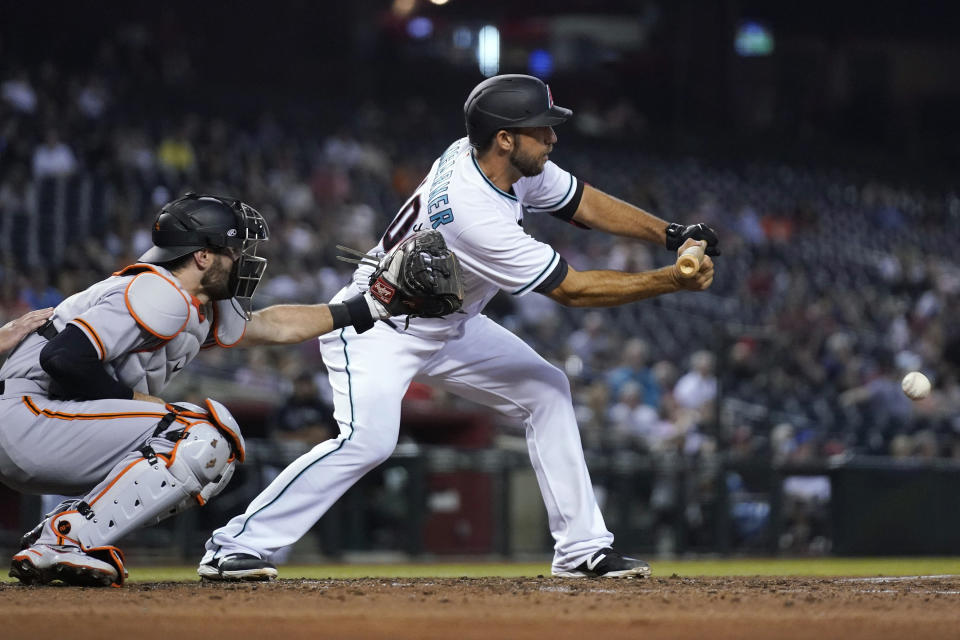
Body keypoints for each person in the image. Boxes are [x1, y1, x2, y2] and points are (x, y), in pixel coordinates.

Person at [199, 74, 718, 580]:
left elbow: (579, 200)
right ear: (505, 138)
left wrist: (670, 233)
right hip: (380, 322)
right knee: (370, 441)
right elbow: (573, 291)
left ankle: (582, 550)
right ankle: (235, 545)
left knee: (548, 390)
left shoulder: (495, 158)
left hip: (450, 322)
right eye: (542, 129)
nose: (553, 137)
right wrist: (672, 278)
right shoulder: (472, 212)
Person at [1, 193, 402, 587]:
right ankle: (65, 538)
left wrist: (370, 307)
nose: (242, 259)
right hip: (26, 415)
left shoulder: (198, 303)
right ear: (203, 256)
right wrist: (136, 402)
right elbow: (64, 358)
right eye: (234, 249)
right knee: (200, 434)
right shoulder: (159, 291)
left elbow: (275, 326)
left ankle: (57, 538)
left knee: (215, 457)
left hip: (44, 421)